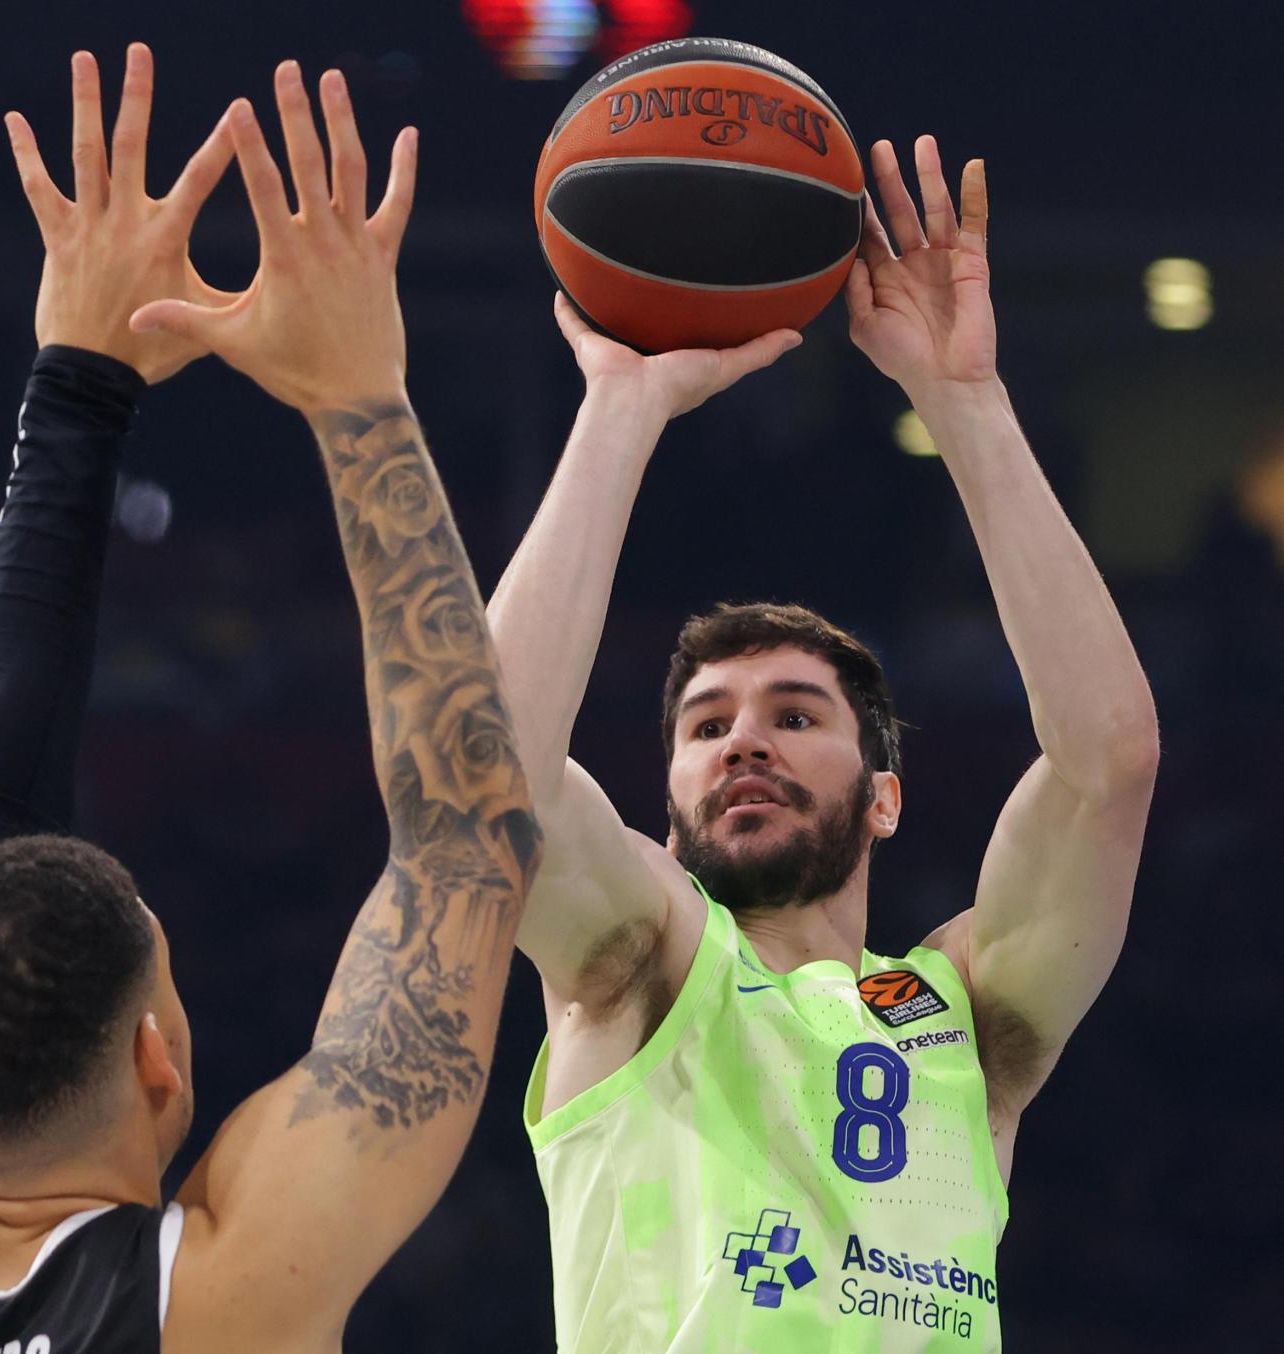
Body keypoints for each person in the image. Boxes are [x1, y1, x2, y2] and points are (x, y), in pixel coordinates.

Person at [0, 45, 542, 1353]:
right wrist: (329, 396)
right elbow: (462, 837)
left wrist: (338, 396)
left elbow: (469, 836)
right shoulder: (213, 1302)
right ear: (159, 1059)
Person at [487, 136, 1158, 1350]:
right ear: (673, 792)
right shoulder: (636, 967)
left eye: (793, 716)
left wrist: (963, 404)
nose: (742, 741)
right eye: (706, 725)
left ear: (884, 796)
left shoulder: (964, 1017)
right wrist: (617, 415)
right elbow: (485, 767)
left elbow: (1104, 765)